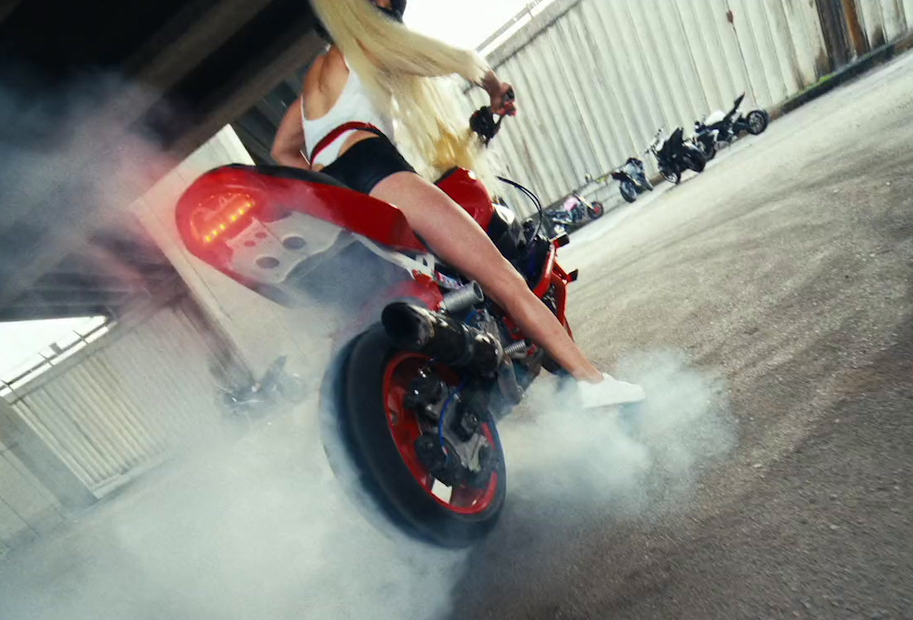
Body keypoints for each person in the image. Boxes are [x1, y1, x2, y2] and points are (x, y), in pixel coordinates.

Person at [270, 0, 644, 409]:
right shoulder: (364, 44)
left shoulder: (312, 83)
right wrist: (495, 88)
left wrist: (326, 182)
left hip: (339, 198)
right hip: (374, 171)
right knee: (502, 279)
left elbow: (283, 150)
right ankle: (592, 383)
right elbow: (452, 59)